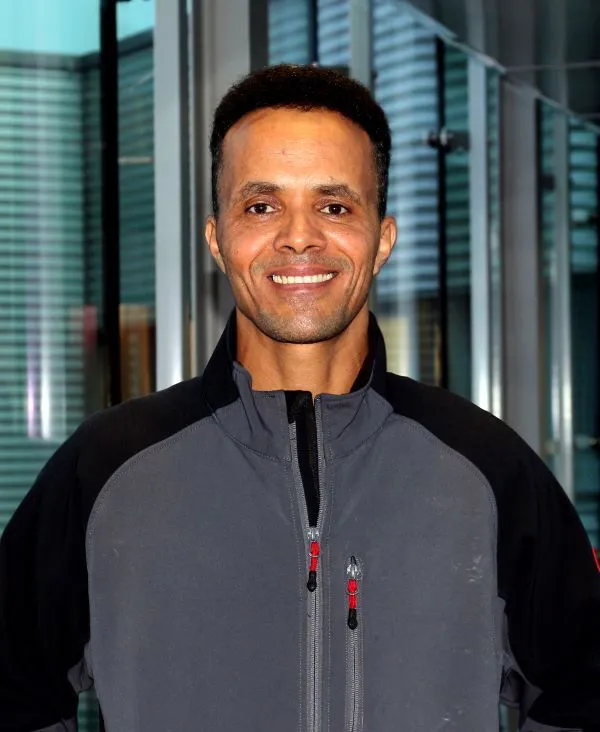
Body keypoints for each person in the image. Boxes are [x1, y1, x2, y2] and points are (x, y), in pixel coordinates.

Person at [0, 64, 599, 732]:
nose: (299, 236)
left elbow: (582, 694)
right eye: (261, 206)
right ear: (217, 239)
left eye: (334, 206)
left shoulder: (488, 470)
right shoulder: (107, 469)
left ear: (382, 240)